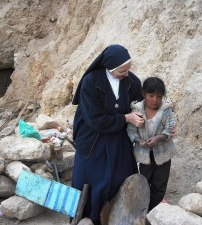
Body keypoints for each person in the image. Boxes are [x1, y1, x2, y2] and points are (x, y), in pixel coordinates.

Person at [71, 44, 145, 224]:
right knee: (92, 183)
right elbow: (96, 120)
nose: (126, 74)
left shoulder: (132, 81)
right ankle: (88, 219)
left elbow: (141, 105)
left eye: (128, 69)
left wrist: (154, 119)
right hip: (93, 139)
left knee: (122, 178)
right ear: (109, 68)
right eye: (122, 71)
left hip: (119, 138)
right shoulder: (91, 82)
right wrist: (126, 118)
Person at [127, 76, 177, 211]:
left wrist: (159, 138)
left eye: (159, 96)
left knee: (160, 185)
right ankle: (142, 209)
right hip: (144, 156)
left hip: (163, 154)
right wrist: (138, 140)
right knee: (143, 182)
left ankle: (153, 211)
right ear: (144, 94)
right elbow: (131, 130)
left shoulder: (166, 110)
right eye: (151, 95)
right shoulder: (136, 110)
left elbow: (170, 128)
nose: (155, 100)